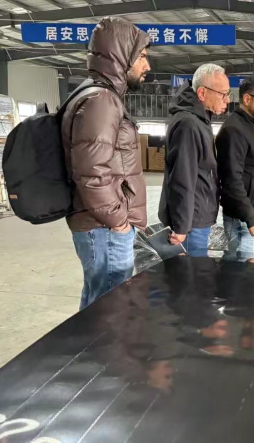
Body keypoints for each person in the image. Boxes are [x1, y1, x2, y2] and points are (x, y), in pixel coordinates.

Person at [62, 17, 151, 310]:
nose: (147, 65)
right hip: (105, 229)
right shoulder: (102, 100)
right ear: (121, 55)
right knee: (110, 313)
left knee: (96, 308)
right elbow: (91, 172)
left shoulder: (96, 94)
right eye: (141, 56)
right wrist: (119, 221)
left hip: (101, 227)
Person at [158, 64, 230, 256]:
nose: (227, 100)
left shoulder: (199, 120)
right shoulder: (189, 124)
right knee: (193, 272)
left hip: (196, 218)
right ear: (202, 93)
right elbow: (182, 178)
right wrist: (181, 226)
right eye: (223, 94)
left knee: (196, 271)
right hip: (190, 224)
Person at [216, 77, 254, 259]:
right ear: (247, 99)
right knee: (241, 272)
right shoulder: (234, 130)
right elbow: (231, 180)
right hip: (244, 220)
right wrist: (251, 219)